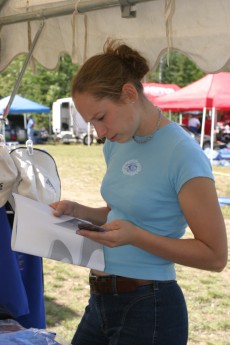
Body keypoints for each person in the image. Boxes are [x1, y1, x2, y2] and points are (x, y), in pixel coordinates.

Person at [51, 40, 228, 345]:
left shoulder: (181, 153)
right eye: (92, 122)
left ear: (129, 94)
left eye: (101, 117)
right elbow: (120, 213)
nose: (99, 133)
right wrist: (78, 210)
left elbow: (214, 256)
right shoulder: (116, 143)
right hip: (101, 302)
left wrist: (137, 237)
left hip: (150, 306)